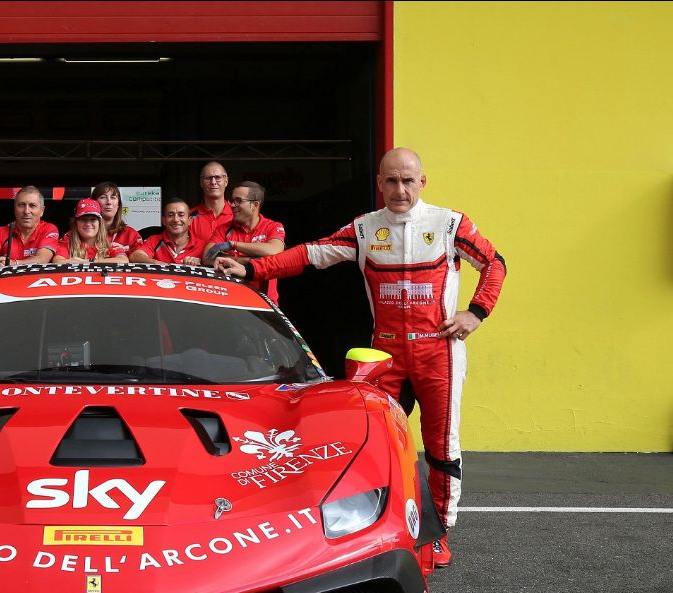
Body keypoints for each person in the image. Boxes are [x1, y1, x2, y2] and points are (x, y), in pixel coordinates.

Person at [214, 147, 507, 567]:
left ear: (422, 182)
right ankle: (374, 528)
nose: (399, 189)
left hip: (438, 351)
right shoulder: (366, 229)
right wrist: (253, 271)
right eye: (391, 180)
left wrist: (475, 313)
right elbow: (310, 254)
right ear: (380, 183)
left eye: (408, 180)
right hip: (384, 355)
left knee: (441, 446)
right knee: (372, 444)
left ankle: (439, 531)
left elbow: (495, 263)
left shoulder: (449, 224)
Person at [204, 181, 286, 300]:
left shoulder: (272, 226)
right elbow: (207, 256)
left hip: (263, 303)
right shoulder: (223, 229)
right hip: (230, 301)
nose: (232, 205)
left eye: (238, 200)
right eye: (232, 200)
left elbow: (274, 251)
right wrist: (251, 260)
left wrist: (233, 245)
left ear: (255, 205)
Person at [0, 185, 59, 267]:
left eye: (32, 205)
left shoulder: (49, 229)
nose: (26, 211)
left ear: (42, 211)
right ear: (14, 209)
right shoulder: (0, 232)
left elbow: (42, 259)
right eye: (21, 205)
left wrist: (13, 263)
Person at [50, 199, 129, 264]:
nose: (88, 224)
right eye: (83, 219)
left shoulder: (110, 243)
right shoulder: (67, 241)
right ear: (76, 222)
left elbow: (124, 260)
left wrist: (90, 261)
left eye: (93, 219)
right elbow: (58, 261)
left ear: (100, 223)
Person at [129, 198, 205, 265]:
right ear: (164, 221)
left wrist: (200, 262)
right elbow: (134, 256)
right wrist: (157, 263)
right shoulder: (154, 241)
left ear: (190, 220)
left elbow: (212, 261)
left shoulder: (202, 246)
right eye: (170, 215)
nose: (176, 220)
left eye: (181, 215)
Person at [91, 181, 143, 255]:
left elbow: (141, 259)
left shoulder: (131, 234)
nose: (109, 202)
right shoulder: (84, 232)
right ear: (93, 203)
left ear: (118, 205)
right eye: (103, 197)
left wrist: (123, 252)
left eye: (113, 197)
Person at [188, 161, 233, 242]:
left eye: (218, 177)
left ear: (226, 181)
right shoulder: (189, 217)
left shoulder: (237, 215)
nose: (213, 182)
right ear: (201, 182)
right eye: (208, 178)